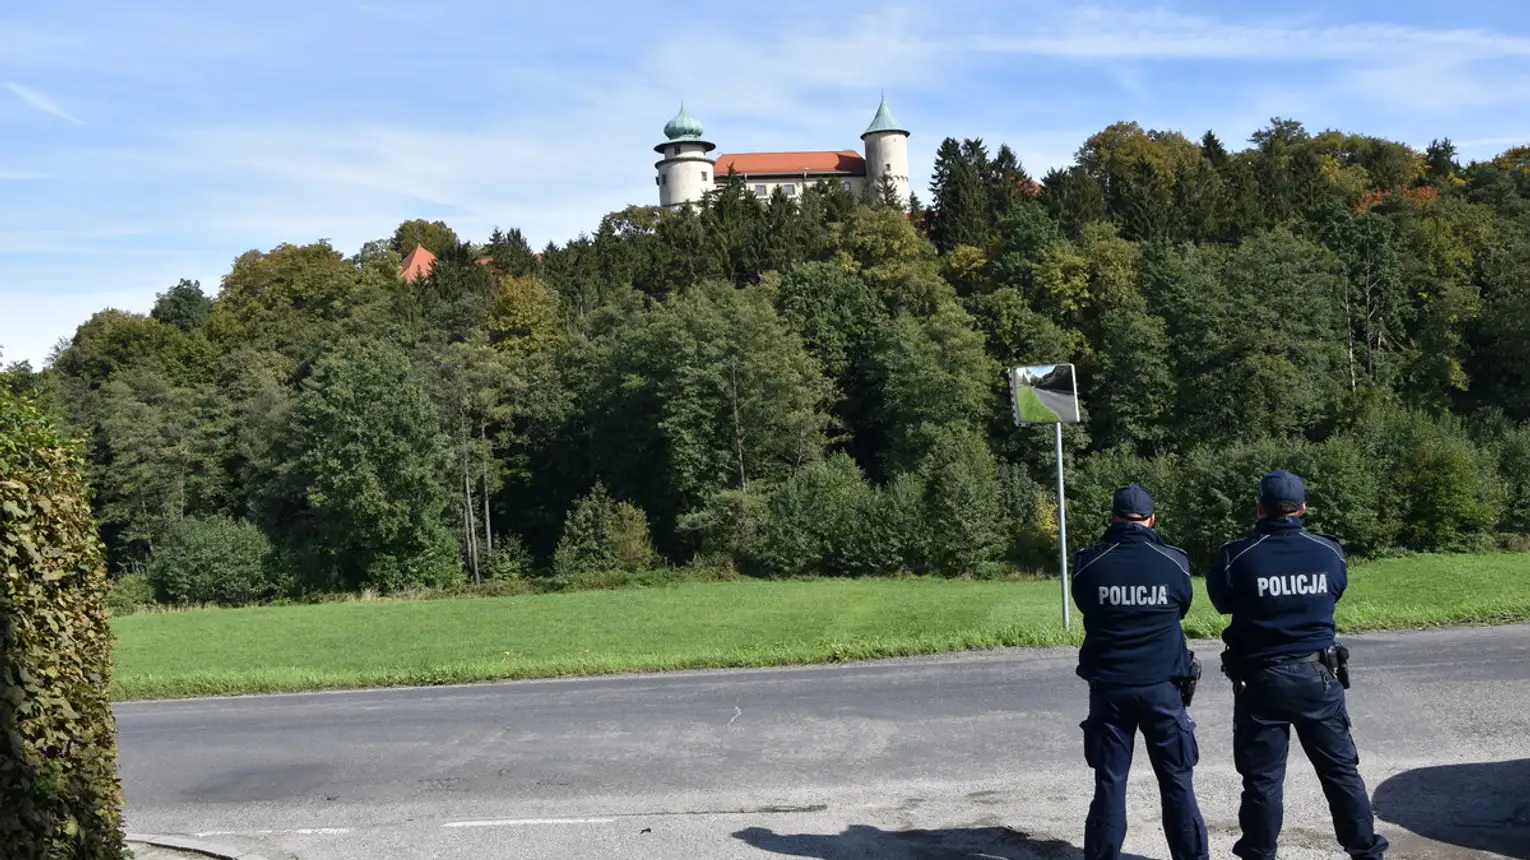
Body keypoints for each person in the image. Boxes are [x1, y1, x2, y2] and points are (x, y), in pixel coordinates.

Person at [1206, 469, 1388, 860]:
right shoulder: (1328, 551)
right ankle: (1366, 852)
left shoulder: (1235, 555)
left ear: (1259, 508)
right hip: (1317, 676)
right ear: (1302, 509)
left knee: (1262, 780)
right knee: (1340, 773)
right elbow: (1336, 590)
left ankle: (1258, 853)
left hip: (1261, 681)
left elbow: (1223, 602)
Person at [1073, 483, 1209, 860]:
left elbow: (1086, 603)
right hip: (1162, 688)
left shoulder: (1089, 561)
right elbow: (1181, 607)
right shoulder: (1174, 561)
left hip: (1110, 689)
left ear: (1113, 517)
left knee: (1110, 783)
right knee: (1177, 782)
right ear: (1152, 520)